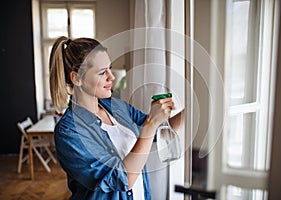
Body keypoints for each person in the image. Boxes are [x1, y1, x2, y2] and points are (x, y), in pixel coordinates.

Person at [49, 36, 183, 200]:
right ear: (76, 78)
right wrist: (150, 124)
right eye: (102, 72)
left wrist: (192, 111)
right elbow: (121, 180)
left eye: (110, 68)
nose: (111, 77)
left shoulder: (117, 108)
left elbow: (162, 133)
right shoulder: (69, 132)